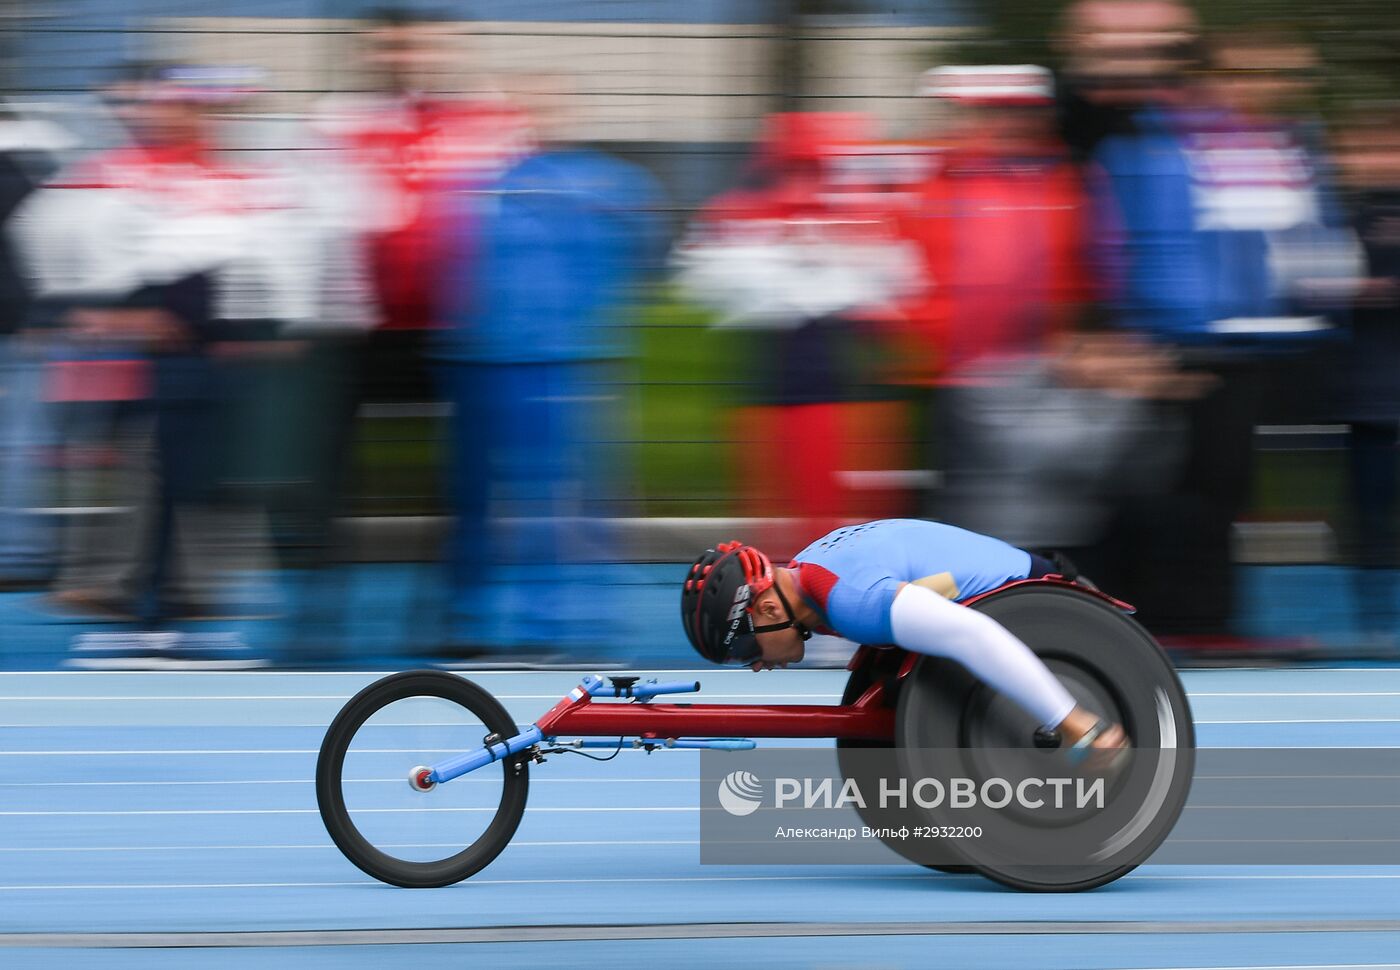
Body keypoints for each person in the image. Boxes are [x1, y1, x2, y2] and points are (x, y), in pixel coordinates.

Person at [681, 518, 1129, 766]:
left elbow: (973, 634)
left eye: (745, 650)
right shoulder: (805, 572)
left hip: (1040, 602)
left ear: (769, 610)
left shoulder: (851, 601)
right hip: (1010, 584)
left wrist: (1075, 724)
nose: (755, 666)